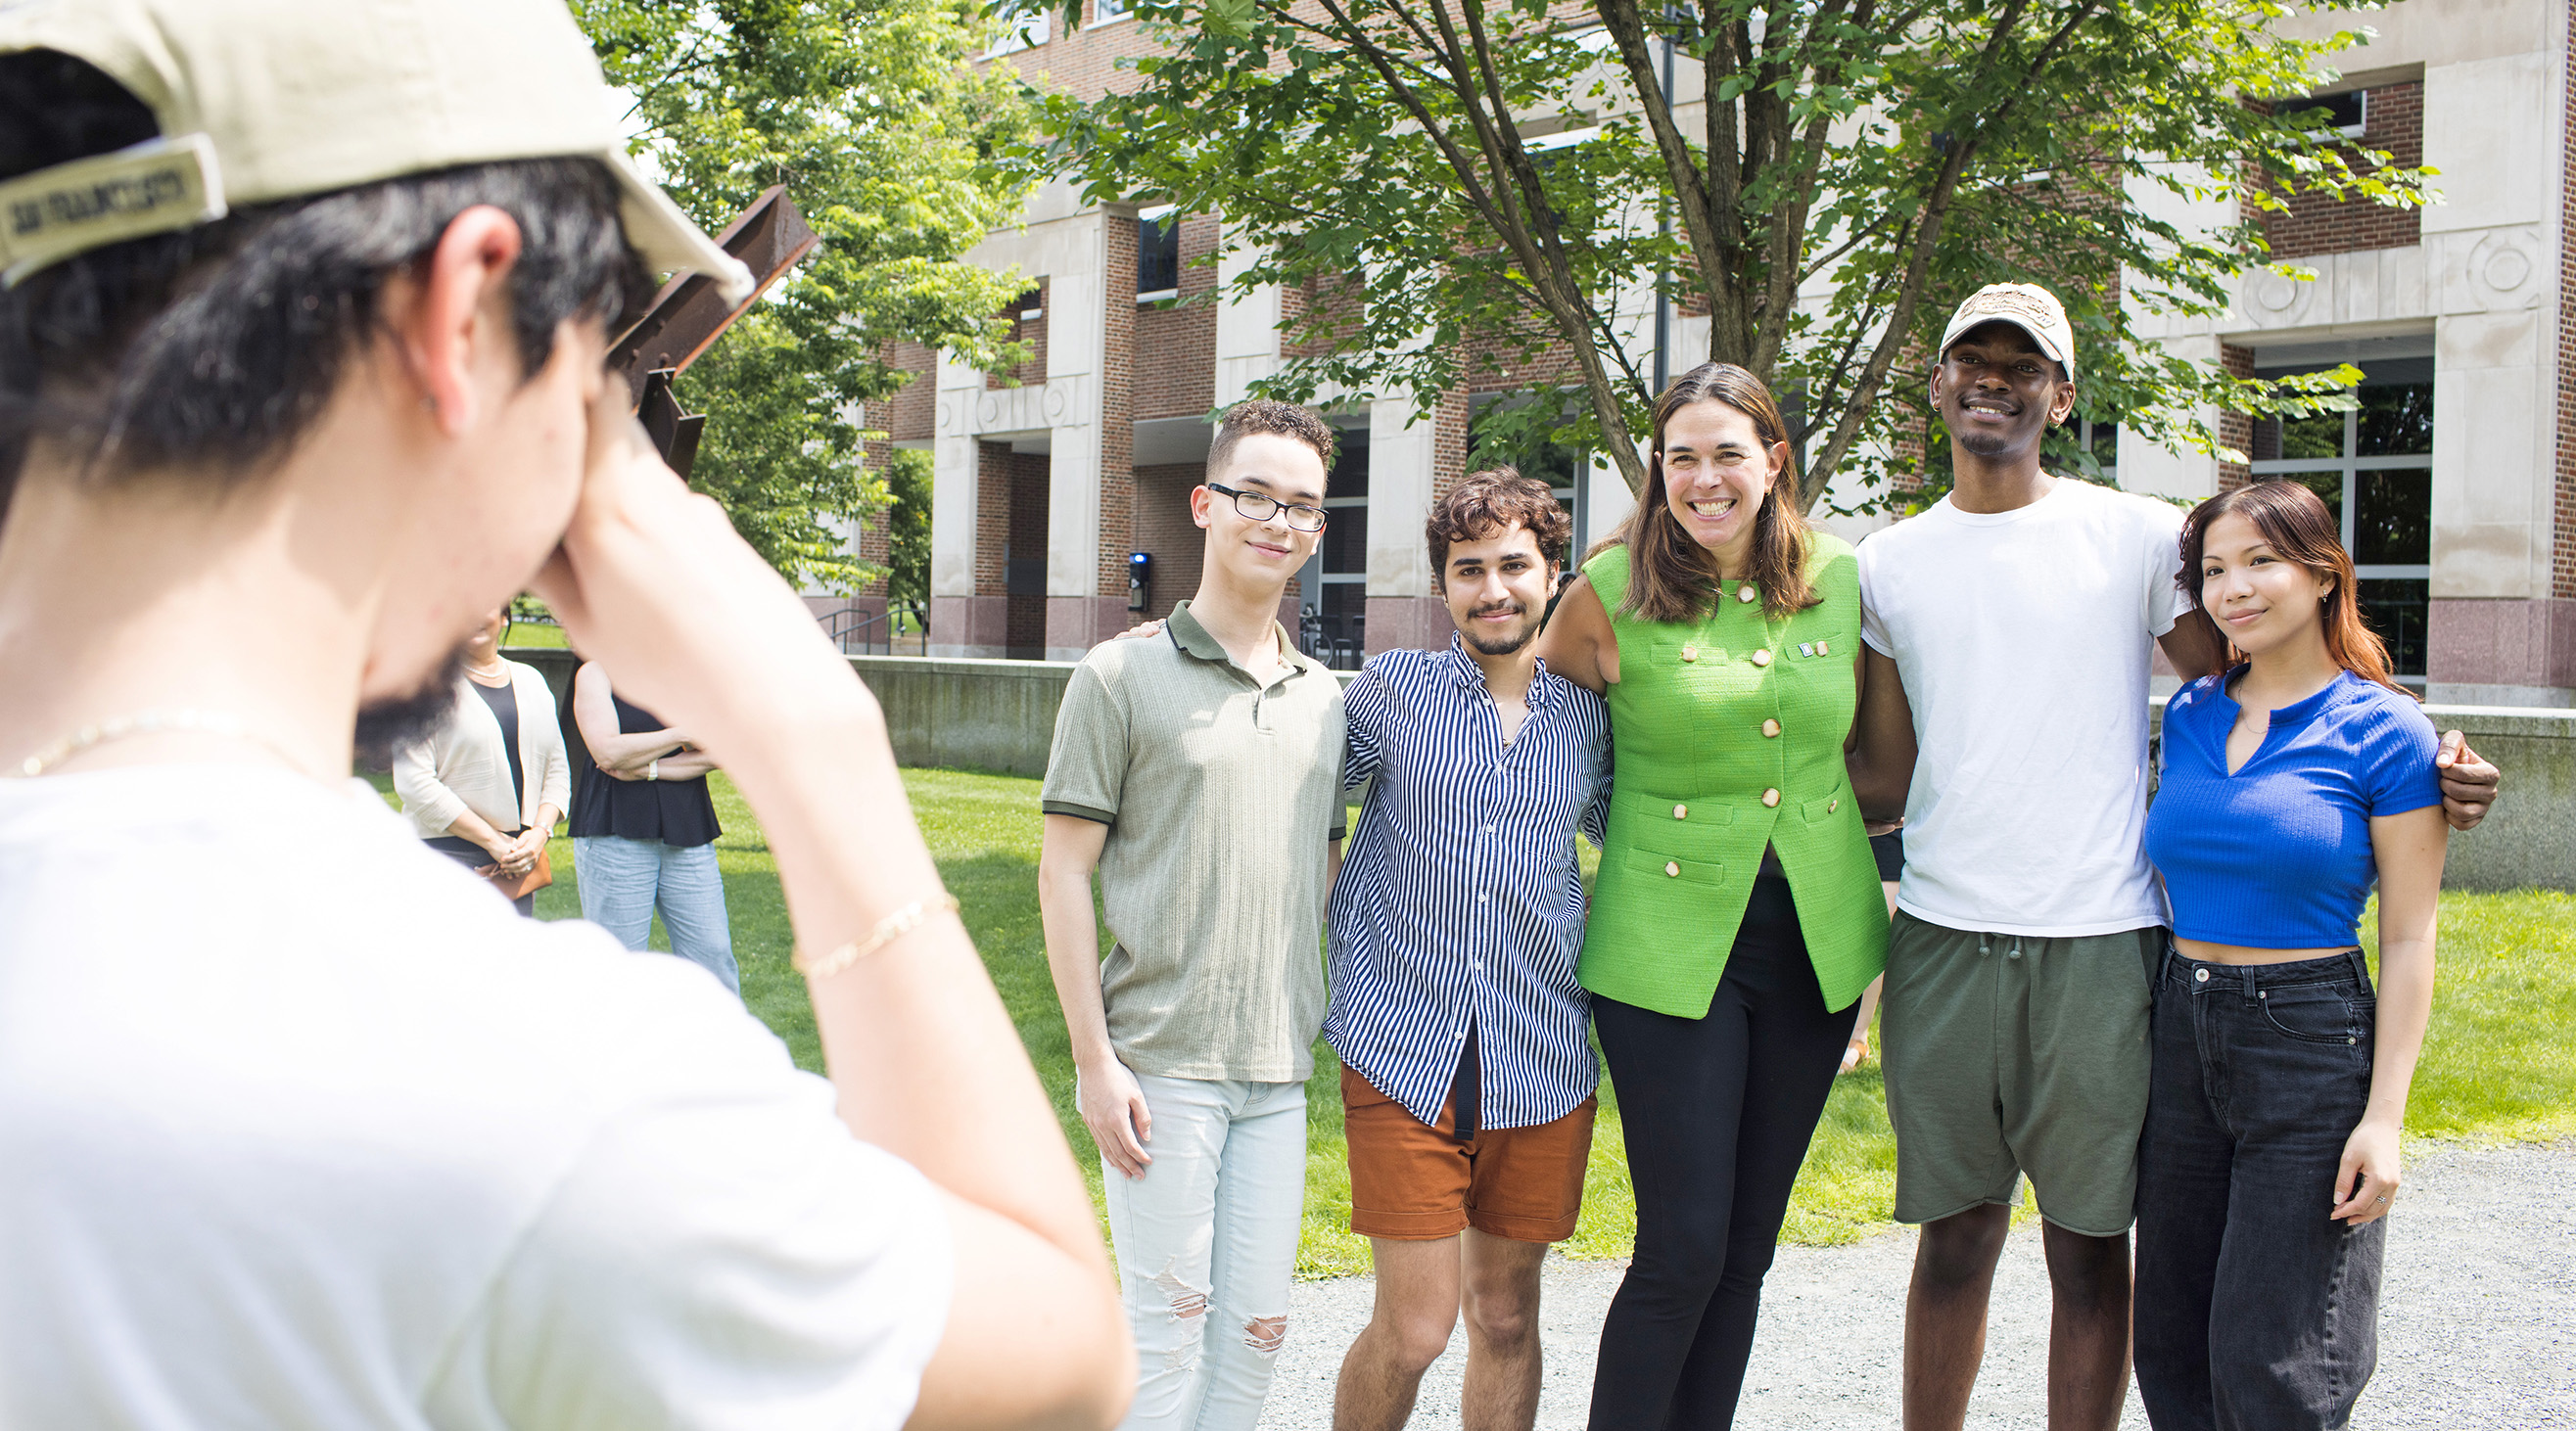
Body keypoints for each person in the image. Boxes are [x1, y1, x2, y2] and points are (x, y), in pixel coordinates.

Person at [0, 4, 1130, 1427]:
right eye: (590, 353)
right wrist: (812, 740)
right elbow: (1061, 1359)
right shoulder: (522, 1087)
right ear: (462, 313)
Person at [1846, 282, 2498, 1431]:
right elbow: (1882, 778)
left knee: (2093, 1248)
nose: (1993, 378)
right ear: (1937, 381)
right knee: (1953, 1238)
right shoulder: (1886, 564)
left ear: (2063, 391)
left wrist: (2412, 752)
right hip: (1945, 938)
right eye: (1970, 359)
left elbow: (2266, 676)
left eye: (2022, 362)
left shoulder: (2139, 534)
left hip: (2106, 942)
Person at [1535, 362, 1890, 1430]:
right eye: (1680, 456)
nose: (1704, 477)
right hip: (1667, 945)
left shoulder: (1845, 575)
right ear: (1658, 468)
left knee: (1744, 1252)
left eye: (1727, 452)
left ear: (1773, 460)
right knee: (1682, 1246)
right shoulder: (1604, 593)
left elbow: (1881, 762)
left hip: (1816, 945)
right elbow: (1523, 725)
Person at [1037, 398, 1348, 1431]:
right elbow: (1064, 873)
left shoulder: (1325, 698)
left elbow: (1327, 869)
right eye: (1256, 495)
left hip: (1277, 1069)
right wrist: (1094, 1060)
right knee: (1167, 1338)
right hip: (1159, 1065)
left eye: (1302, 504)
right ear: (1205, 503)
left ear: (1318, 528)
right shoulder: (1119, 675)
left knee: (1256, 1337)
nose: (1278, 520)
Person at [2133, 479, 2448, 1430]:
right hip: (2179, 1027)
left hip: (2307, 1037)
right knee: (2174, 1344)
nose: (2234, 587)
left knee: (2278, 1359)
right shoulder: (2187, 713)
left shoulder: (2388, 731)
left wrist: (2385, 1119)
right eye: (2215, 570)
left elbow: (2408, 932)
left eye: (2260, 561)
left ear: (2322, 575)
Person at [1325, 470, 1610, 1431]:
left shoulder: (1594, 718)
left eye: (1514, 566)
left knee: (1504, 1314)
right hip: (1400, 1045)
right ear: (1444, 583)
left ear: (1552, 572)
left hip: (1543, 1056)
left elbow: (1651, 846)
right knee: (1414, 1328)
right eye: (1469, 568)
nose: (1494, 588)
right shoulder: (1392, 691)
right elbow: (1297, 780)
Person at [570, 660, 739, 992]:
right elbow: (607, 752)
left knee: (714, 958)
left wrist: (648, 769)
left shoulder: (690, 675)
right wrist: (684, 734)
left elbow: (722, 749)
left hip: (688, 829)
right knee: (618, 967)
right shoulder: (597, 673)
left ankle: (717, 1044)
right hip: (616, 830)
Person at [394, 608, 569, 916]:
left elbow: (557, 767)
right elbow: (413, 781)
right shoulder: (421, 686)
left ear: (504, 617)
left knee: (507, 962)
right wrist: (494, 842)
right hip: (445, 856)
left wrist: (540, 833)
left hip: (516, 864)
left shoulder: (532, 681)